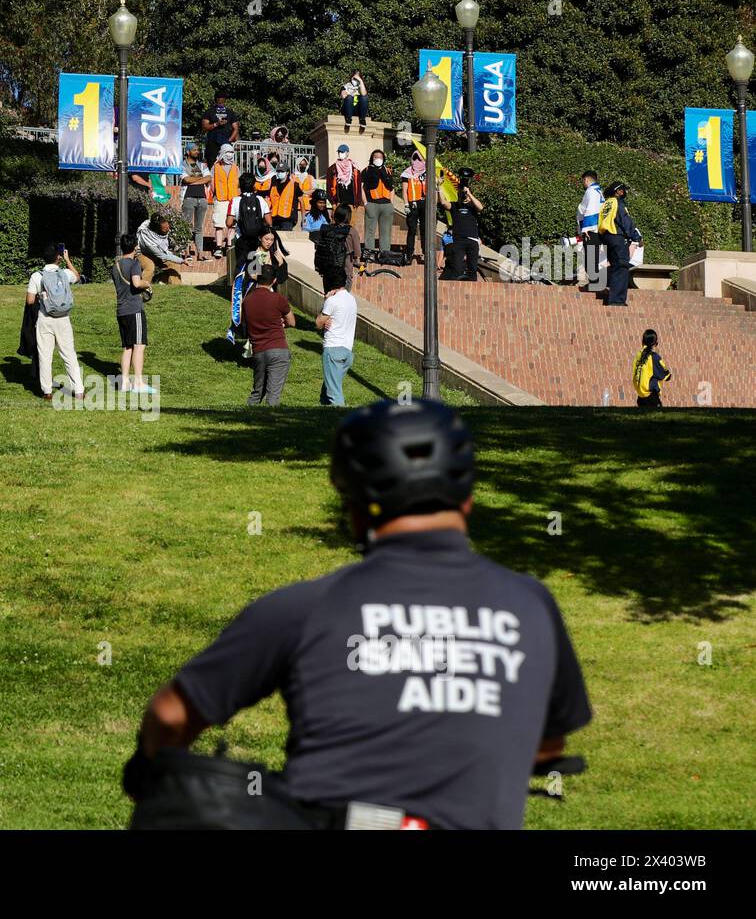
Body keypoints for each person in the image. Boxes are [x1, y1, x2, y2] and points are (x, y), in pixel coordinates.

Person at [124, 399, 593, 830]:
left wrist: (151, 772)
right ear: (467, 498)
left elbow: (171, 714)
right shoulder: (532, 604)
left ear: (354, 509)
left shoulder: (301, 609)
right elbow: (549, 746)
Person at [26, 244, 84, 401]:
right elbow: (77, 277)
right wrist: (68, 260)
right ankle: (78, 390)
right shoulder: (65, 273)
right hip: (63, 318)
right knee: (69, 354)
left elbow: (30, 300)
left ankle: (47, 391)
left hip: (45, 318)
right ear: (58, 257)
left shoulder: (37, 276)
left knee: (45, 355)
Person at [243, 247, 295, 406]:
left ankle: (244, 417)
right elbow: (292, 322)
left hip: (258, 351)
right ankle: (270, 426)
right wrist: (281, 324)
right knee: (273, 396)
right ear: (273, 281)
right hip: (278, 350)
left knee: (257, 392)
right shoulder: (277, 299)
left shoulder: (247, 301)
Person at [113, 234, 156, 395]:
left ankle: (124, 382)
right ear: (134, 247)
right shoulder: (134, 264)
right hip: (134, 310)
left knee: (127, 347)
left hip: (121, 310)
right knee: (139, 345)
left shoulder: (116, 266)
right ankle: (138, 382)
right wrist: (147, 284)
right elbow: (137, 283)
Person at [597, 181, 641, 307]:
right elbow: (625, 221)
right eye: (623, 190)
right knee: (621, 267)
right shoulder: (618, 203)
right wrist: (636, 237)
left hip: (606, 237)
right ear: (618, 192)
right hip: (617, 237)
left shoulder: (606, 204)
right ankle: (617, 301)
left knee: (616, 267)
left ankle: (613, 298)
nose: (624, 192)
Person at [317, 276, 357, 406]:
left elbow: (318, 323)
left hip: (333, 350)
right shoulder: (352, 299)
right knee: (328, 389)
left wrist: (326, 300)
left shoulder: (332, 300)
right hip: (347, 352)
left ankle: (341, 420)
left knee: (334, 394)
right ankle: (321, 418)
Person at [440, 168, 484, 281]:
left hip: (472, 241)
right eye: (460, 193)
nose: (462, 195)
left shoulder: (472, 206)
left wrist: (469, 193)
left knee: (472, 269)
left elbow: (480, 207)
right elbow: (444, 203)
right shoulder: (455, 206)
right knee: (457, 268)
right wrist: (439, 186)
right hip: (459, 241)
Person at [138, 212, 192, 286]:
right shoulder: (148, 239)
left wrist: (178, 260)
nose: (168, 229)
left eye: (168, 227)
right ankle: (144, 289)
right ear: (157, 230)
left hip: (159, 253)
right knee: (149, 267)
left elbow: (164, 252)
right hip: (144, 253)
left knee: (174, 264)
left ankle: (176, 288)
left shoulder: (156, 225)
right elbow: (163, 256)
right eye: (165, 229)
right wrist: (182, 261)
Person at [179, 144, 212, 261]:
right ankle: (186, 252)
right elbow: (186, 179)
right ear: (188, 152)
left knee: (199, 228)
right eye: (194, 150)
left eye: (198, 150)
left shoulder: (202, 165)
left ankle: (200, 254)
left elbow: (208, 178)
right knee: (186, 226)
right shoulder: (182, 165)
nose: (197, 152)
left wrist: (193, 181)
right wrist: (201, 178)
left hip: (202, 199)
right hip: (188, 198)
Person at [361, 149, 396, 255]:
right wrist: (366, 203)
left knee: (386, 232)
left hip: (386, 205)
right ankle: (369, 255)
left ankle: (385, 255)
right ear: (372, 158)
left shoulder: (388, 171)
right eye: (375, 157)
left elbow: (392, 188)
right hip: (372, 204)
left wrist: (391, 203)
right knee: (370, 232)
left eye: (380, 157)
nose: (378, 159)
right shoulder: (366, 170)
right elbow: (361, 188)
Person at [209, 143, 240, 259]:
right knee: (219, 224)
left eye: (231, 152)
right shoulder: (215, 166)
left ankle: (229, 246)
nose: (230, 155)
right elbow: (212, 182)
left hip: (233, 199)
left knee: (232, 224)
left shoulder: (235, 167)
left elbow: (238, 183)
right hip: (220, 199)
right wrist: (216, 193)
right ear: (222, 152)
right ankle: (218, 247)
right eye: (227, 152)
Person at [576, 170, 605, 292]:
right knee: (593, 257)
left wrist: (586, 228)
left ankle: (595, 283)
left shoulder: (591, 191)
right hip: (597, 229)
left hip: (591, 229)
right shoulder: (599, 191)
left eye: (583, 181)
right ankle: (595, 282)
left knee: (591, 257)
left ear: (586, 180)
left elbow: (591, 210)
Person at [400, 151, 428, 261]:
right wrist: (406, 204)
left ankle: (426, 254)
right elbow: (404, 190)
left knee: (424, 230)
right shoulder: (407, 173)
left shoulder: (428, 172)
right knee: (412, 229)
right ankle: (409, 254)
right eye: (415, 158)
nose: (417, 161)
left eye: (419, 159)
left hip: (425, 203)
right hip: (413, 204)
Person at [200, 90, 240, 166]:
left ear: (225, 100)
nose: (221, 100)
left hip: (226, 142)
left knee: (227, 164)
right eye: (219, 98)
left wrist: (229, 140)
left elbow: (236, 128)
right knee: (212, 165)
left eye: (223, 98)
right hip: (212, 142)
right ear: (215, 99)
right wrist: (216, 124)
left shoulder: (230, 112)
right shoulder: (209, 111)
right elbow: (204, 127)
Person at [633, 329, 671, 408]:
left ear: (642, 341)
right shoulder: (654, 357)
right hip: (651, 397)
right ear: (655, 343)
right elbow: (666, 376)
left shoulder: (638, 355)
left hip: (640, 397)